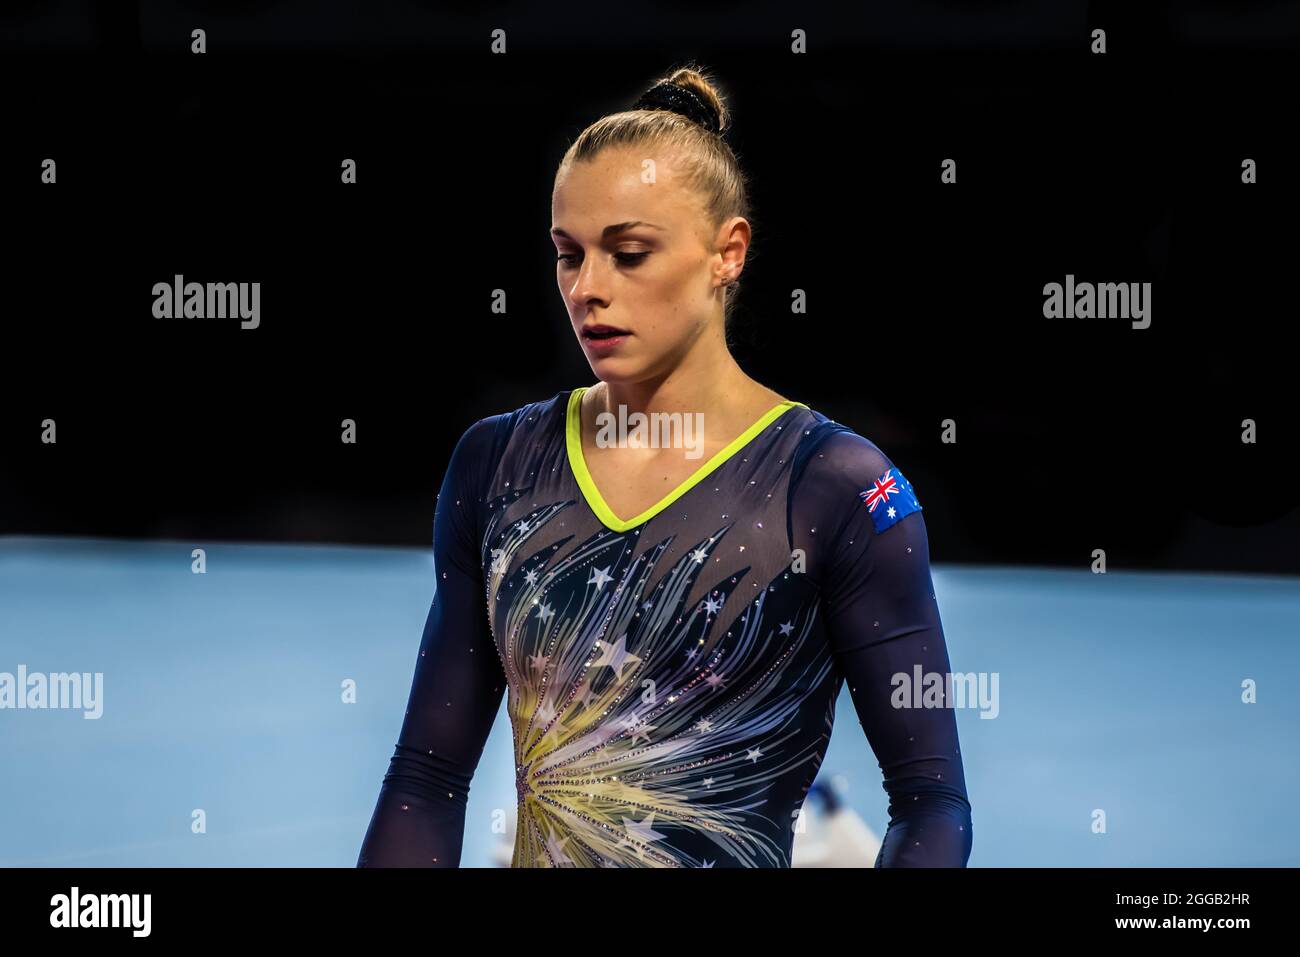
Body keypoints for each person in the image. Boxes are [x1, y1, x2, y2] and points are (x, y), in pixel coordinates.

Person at [357, 64, 972, 868]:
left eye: (630, 253)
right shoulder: (497, 464)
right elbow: (427, 778)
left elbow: (931, 802)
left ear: (729, 253)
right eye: (569, 255)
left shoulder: (835, 488)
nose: (589, 289)